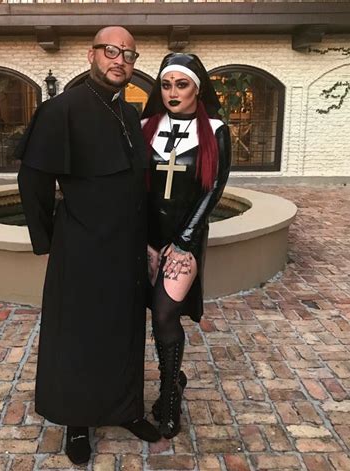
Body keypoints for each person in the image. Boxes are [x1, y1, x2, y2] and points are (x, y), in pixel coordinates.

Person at [15, 26, 160, 465]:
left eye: (129, 55)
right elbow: (33, 182)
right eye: (112, 51)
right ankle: (78, 422)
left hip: (128, 246)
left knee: (125, 330)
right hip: (81, 247)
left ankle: (126, 409)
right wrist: (54, 240)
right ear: (92, 54)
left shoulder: (130, 114)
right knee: (80, 336)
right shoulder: (60, 110)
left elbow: (140, 184)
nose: (121, 61)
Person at [141, 53, 231, 439]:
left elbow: (213, 191)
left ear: (197, 88)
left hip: (185, 240)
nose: (172, 93)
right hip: (145, 240)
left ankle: (170, 395)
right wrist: (144, 241)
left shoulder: (215, 129)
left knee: (164, 314)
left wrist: (182, 242)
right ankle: (173, 376)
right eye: (166, 85)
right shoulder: (145, 125)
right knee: (143, 314)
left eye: (181, 85)